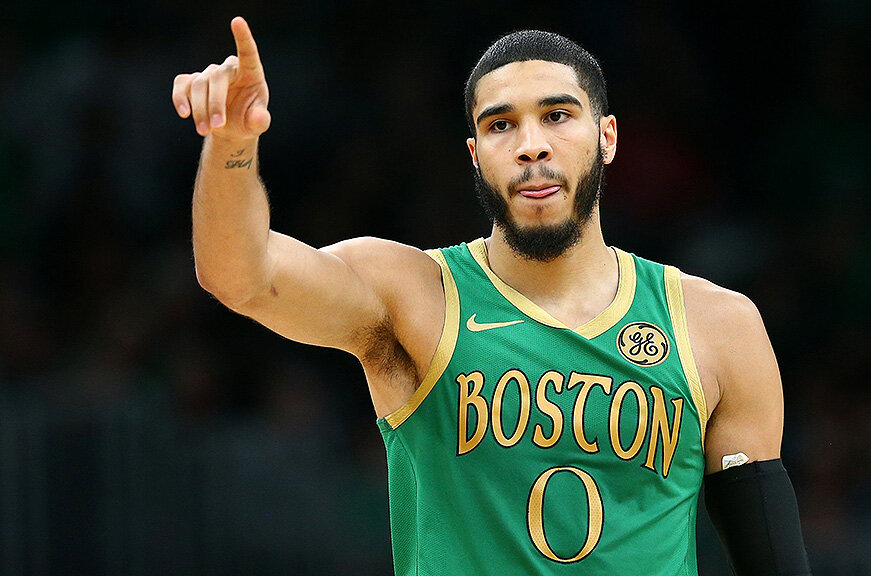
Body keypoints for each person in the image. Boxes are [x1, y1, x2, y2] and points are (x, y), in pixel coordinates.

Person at [172, 16, 812, 576]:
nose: (531, 145)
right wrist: (231, 145)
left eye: (557, 116)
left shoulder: (716, 324)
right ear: (476, 156)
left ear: (608, 137)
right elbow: (240, 276)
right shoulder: (413, 294)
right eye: (502, 125)